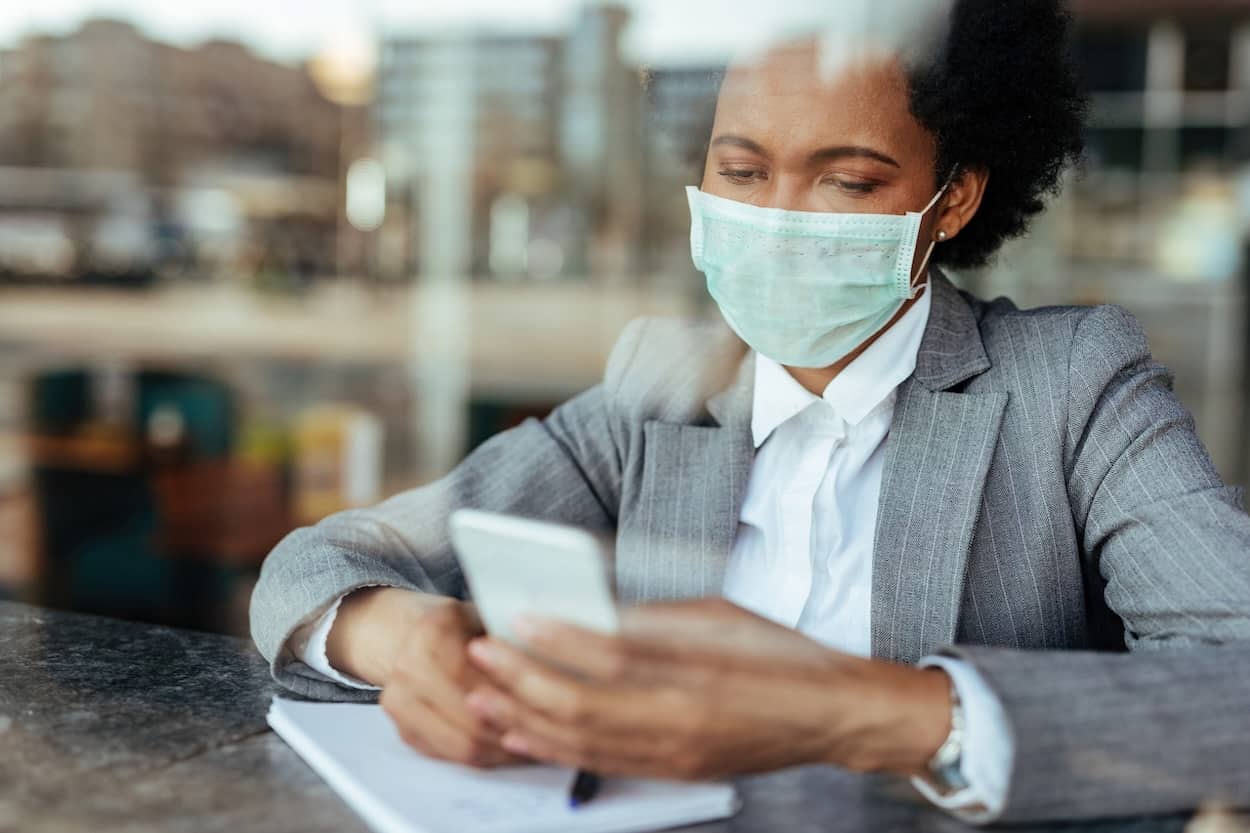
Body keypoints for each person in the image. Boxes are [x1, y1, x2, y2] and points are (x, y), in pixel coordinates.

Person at [251, 0, 1250, 824]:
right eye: (739, 172)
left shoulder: (1069, 387)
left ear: (949, 201)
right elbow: (321, 562)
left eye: (844, 179)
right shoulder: (663, 390)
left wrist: (862, 710)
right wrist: (406, 639)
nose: (773, 222)